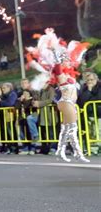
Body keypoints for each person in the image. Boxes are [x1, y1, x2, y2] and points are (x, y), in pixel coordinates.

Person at [26, 28, 89, 162]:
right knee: (72, 128)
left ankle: (61, 151)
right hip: (66, 102)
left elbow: (75, 61)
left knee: (66, 128)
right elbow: (57, 66)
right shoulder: (61, 75)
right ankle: (78, 153)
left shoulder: (70, 74)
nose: (67, 60)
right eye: (64, 59)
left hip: (68, 102)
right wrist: (54, 51)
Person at [77, 72, 101, 155]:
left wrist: (89, 98)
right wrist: (89, 91)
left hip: (98, 113)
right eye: (88, 80)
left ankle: (96, 149)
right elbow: (82, 100)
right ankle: (91, 148)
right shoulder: (84, 88)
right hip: (88, 114)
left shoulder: (100, 86)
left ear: (96, 79)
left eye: (92, 80)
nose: (90, 82)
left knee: (97, 131)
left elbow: (98, 98)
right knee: (90, 131)